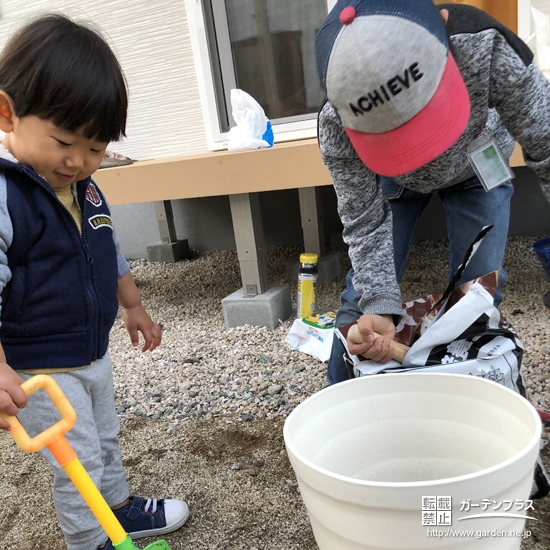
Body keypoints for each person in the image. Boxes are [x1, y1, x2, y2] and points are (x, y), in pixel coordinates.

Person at [0, 15, 189, 550]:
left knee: (105, 438)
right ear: (8, 112)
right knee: (75, 457)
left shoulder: (86, 188)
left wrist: (134, 306)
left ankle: (118, 508)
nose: (80, 160)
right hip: (40, 361)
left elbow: (108, 252)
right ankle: (91, 540)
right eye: (65, 141)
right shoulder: (7, 194)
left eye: (97, 147)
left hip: (91, 350)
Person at [315, 0, 550, 385]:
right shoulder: (336, 121)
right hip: (394, 181)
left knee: (476, 296)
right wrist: (379, 305)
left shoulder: (484, 46)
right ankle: (341, 401)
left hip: (478, 164)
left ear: (443, 27)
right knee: (363, 304)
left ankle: (475, 405)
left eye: (425, 110)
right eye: (394, 133)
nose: (426, 149)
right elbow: (364, 219)